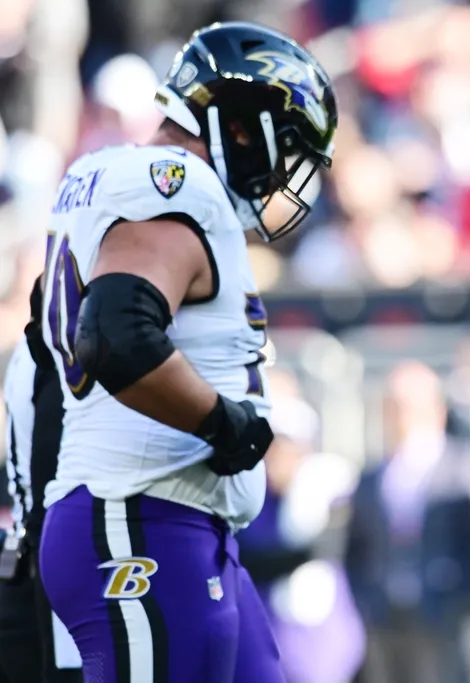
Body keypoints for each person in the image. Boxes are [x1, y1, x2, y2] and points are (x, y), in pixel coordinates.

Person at [35, 21, 337, 683]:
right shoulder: (172, 184)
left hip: (177, 523)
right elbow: (117, 332)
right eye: (283, 148)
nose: (284, 173)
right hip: (138, 517)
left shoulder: (110, 175)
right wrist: (223, 423)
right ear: (237, 127)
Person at [0, 277, 82, 683]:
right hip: (50, 558)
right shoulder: (55, 350)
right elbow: (50, 471)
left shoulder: (33, 347)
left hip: (28, 553)